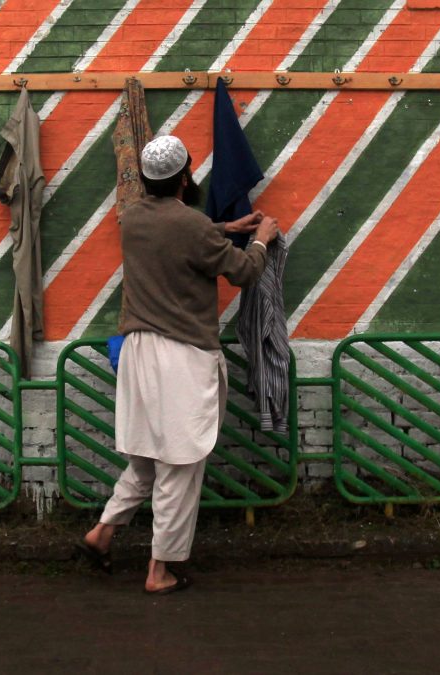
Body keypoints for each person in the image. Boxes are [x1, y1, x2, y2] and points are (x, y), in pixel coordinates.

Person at [76, 135, 278, 594]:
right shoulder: (192, 226)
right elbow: (244, 273)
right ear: (186, 176)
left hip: (138, 353)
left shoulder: (132, 218)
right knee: (180, 467)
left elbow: (178, 236)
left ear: (147, 179)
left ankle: (102, 533)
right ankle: (159, 569)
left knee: (147, 461)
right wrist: (260, 240)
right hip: (181, 357)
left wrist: (224, 229)